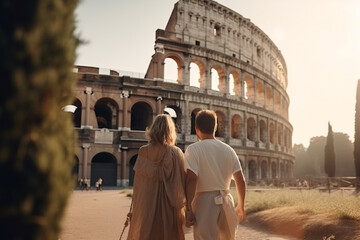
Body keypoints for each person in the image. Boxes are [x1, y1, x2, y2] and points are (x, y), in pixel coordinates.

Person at [184, 109, 246, 240]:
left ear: (196, 128)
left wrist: (188, 207)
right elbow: (240, 180)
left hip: (204, 203)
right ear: (215, 127)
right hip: (227, 201)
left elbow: (191, 179)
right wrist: (241, 205)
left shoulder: (193, 149)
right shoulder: (229, 150)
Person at [127, 114, 186, 240]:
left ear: (153, 129)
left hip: (147, 205)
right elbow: (181, 182)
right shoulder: (177, 153)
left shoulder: (143, 151)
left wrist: (135, 208)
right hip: (170, 207)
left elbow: (138, 185)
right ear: (171, 131)